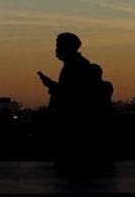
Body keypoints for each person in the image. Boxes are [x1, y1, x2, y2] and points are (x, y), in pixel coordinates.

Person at [37, 32, 113, 168]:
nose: (56, 49)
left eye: (58, 46)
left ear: (68, 48)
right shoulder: (74, 66)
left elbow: (73, 97)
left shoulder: (76, 67)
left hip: (75, 132)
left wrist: (51, 85)